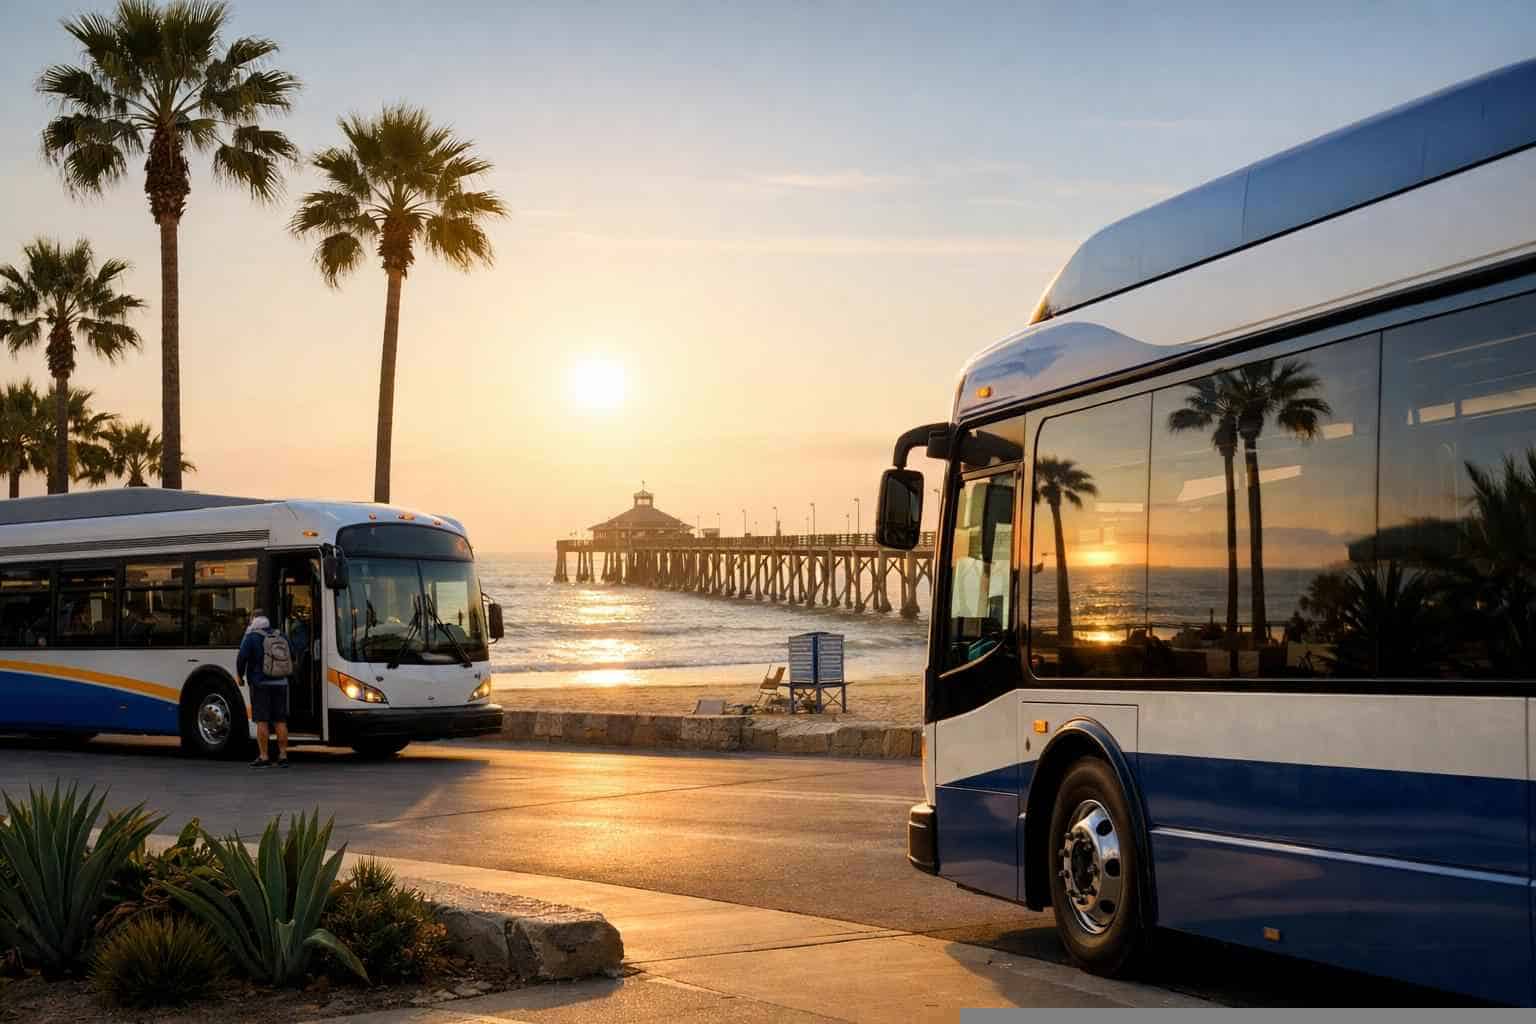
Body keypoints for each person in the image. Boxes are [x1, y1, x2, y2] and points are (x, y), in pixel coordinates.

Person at [237, 609, 290, 768]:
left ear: (253, 620)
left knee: (262, 720)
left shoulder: (251, 637)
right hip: (281, 682)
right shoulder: (280, 635)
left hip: (260, 684)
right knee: (280, 720)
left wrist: (240, 676)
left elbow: (242, 657)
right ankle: (283, 755)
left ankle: (264, 756)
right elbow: (291, 654)